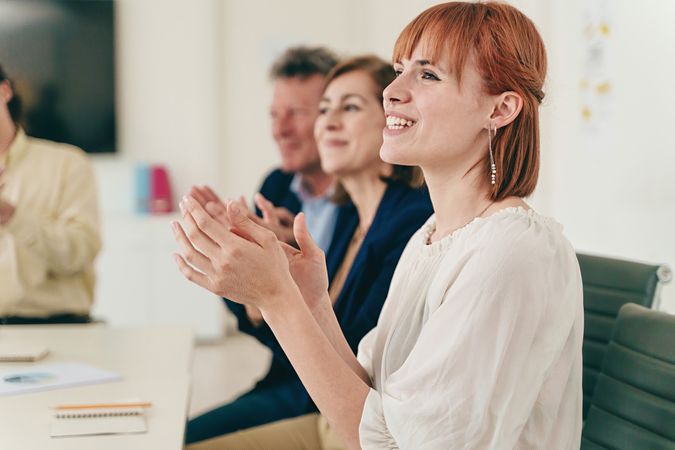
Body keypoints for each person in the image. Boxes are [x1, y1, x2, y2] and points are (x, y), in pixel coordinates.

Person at [175, 2, 584, 449]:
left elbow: (390, 443)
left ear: (501, 109)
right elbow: (375, 398)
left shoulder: (509, 252)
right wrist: (311, 300)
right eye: (399, 70)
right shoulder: (429, 238)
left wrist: (276, 299)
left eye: (427, 75)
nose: (392, 91)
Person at [184, 55, 432, 445]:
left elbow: (355, 359)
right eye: (323, 110)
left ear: (392, 118)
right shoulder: (351, 213)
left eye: (348, 107)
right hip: (301, 388)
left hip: (342, 410)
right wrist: (265, 278)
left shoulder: (413, 220)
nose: (328, 122)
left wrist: (274, 283)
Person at [0, 64, 101, 324]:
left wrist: (12, 216)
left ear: (5, 90)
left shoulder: (68, 164)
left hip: (57, 329)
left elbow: (78, 254)